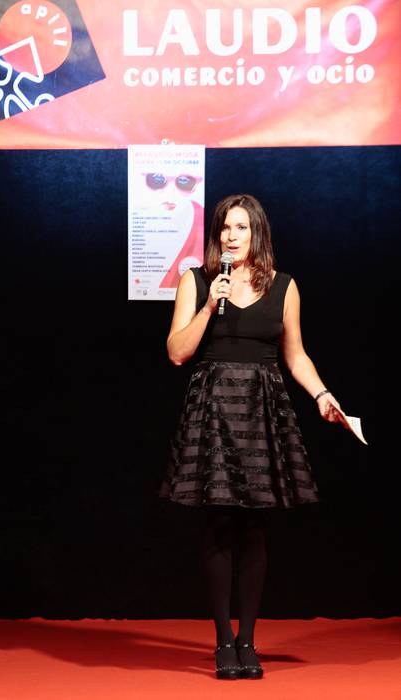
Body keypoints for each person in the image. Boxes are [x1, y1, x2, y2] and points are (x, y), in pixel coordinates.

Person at [158, 193, 346, 681]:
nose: (231, 235)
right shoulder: (197, 280)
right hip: (215, 408)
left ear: (257, 232)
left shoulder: (284, 286)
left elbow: (295, 355)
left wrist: (322, 394)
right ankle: (223, 641)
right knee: (220, 523)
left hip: (262, 408)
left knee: (256, 527)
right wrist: (209, 307)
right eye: (225, 227)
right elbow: (177, 351)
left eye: (241, 227)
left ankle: (247, 640)